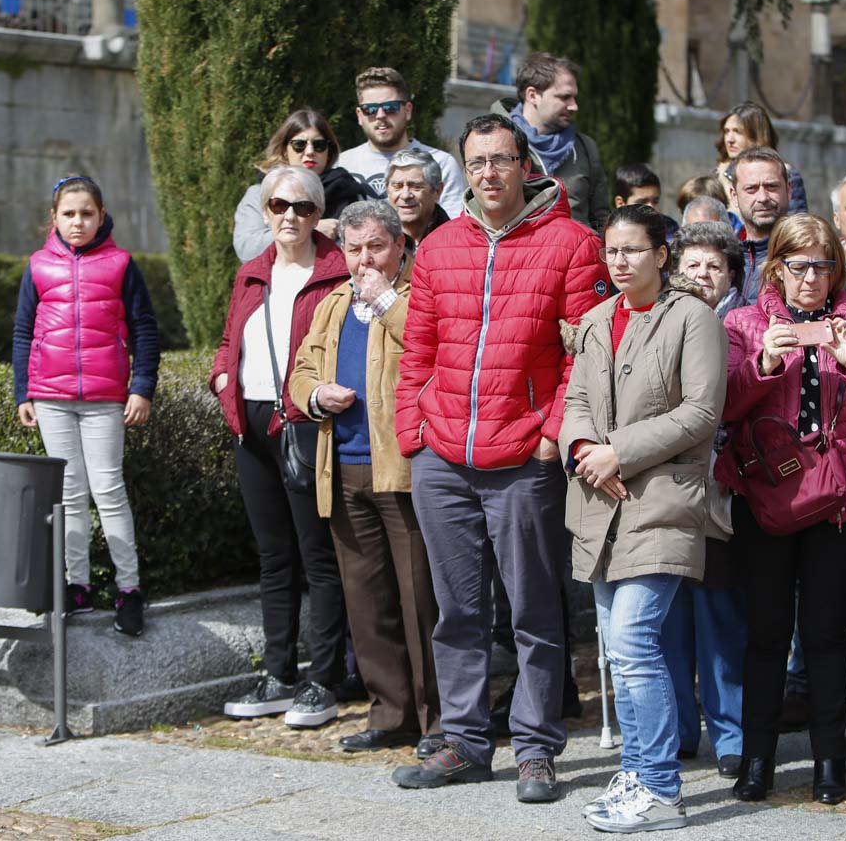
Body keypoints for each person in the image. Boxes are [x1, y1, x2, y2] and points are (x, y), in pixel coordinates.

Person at [391, 113, 607, 801]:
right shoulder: (438, 247)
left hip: (524, 458)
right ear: (464, 169)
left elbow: (583, 354)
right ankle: (462, 741)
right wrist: (413, 432)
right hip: (443, 457)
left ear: (525, 165)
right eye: (477, 162)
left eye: (502, 160)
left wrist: (552, 433)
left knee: (533, 611)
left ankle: (538, 748)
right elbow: (417, 348)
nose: (490, 173)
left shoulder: (573, 244)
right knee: (456, 611)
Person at [717, 214, 846, 805]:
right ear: (776, 268)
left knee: (825, 635)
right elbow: (721, 407)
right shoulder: (744, 325)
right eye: (797, 266)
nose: (809, 279)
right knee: (767, 633)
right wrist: (762, 366)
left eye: (822, 266)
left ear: (836, 272)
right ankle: (757, 761)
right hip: (768, 497)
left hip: (839, 501)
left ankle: (830, 764)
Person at [561, 206, 727, 833]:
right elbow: (575, 399)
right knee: (616, 646)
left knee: (633, 642)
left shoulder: (694, 318)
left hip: (662, 501)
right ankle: (634, 772)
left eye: (634, 250)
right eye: (612, 252)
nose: (621, 261)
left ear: (662, 255)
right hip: (599, 502)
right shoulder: (598, 320)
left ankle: (660, 787)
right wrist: (581, 449)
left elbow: (700, 413)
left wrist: (618, 452)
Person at [287, 201, 442, 756]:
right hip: (343, 466)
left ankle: (438, 720)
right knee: (366, 598)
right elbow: (301, 369)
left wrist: (385, 302)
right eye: (353, 249)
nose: (363, 260)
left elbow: (437, 352)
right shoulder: (331, 304)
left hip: (402, 468)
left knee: (420, 598)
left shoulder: (417, 295)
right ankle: (391, 712)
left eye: (375, 246)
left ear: (400, 245)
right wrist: (315, 395)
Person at [213, 165, 349, 728]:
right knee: (274, 558)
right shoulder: (252, 272)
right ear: (265, 212)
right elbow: (229, 340)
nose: (289, 217)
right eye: (278, 206)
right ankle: (278, 673)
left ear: (320, 215)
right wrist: (221, 377)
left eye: (302, 207)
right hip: (252, 423)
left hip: (307, 422)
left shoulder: (336, 272)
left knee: (318, 556)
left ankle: (323, 679)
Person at [12, 176, 160, 635]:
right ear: (54, 219)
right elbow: (22, 333)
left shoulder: (120, 264)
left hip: (104, 399)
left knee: (109, 491)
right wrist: (24, 392)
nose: (78, 222)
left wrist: (142, 387)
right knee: (70, 494)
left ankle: (129, 589)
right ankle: (77, 586)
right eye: (69, 214)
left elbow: (145, 329)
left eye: (87, 213)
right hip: (51, 399)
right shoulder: (38, 266)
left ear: (101, 216)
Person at [661, 220, 750, 780]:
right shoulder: (657, 320)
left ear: (732, 275)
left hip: (724, 489)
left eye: (713, 266)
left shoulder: (746, 326)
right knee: (667, 618)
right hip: (665, 489)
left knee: (719, 616)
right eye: (691, 266)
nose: (702, 275)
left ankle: (731, 733)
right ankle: (676, 730)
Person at [233, 109, 379, 261]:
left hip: (338, 281)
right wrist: (311, 231)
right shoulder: (259, 193)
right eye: (299, 145)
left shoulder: (350, 191)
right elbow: (247, 249)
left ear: (329, 151)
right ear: (284, 150)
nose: (310, 152)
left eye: (319, 145)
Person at [497, 53, 609, 233]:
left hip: (576, 257)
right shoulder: (495, 144)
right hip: (517, 257)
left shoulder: (585, 148)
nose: (574, 106)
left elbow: (600, 217)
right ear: (532, 95)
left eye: (574, 97)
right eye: (564, 97)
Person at [337, 66, 465, 216]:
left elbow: (452, 226)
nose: (380, 115)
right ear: (359, 115)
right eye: (370, 109)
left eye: (390, 107)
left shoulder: (441, 163)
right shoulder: (342, 164)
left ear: (408, 110)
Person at [713, 102, 807, 214]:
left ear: (757, 135)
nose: (730, 139)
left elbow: (797, 226)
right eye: (727, 131)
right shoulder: (719, 175)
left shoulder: (786, 175)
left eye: (737, 131)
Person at [729, 146, 794, 305]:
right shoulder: (723, 257)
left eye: (771, 186)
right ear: (734, 196)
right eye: (751, 188)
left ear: (788, 190)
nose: (763, 197)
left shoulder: (812, 254)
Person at [385, 147, 450, 247]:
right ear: (387, 190)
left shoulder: (457, 240)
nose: (405, 195)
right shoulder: (376, 241)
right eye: (397, 186)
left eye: (416, 187)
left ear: (437, 191)